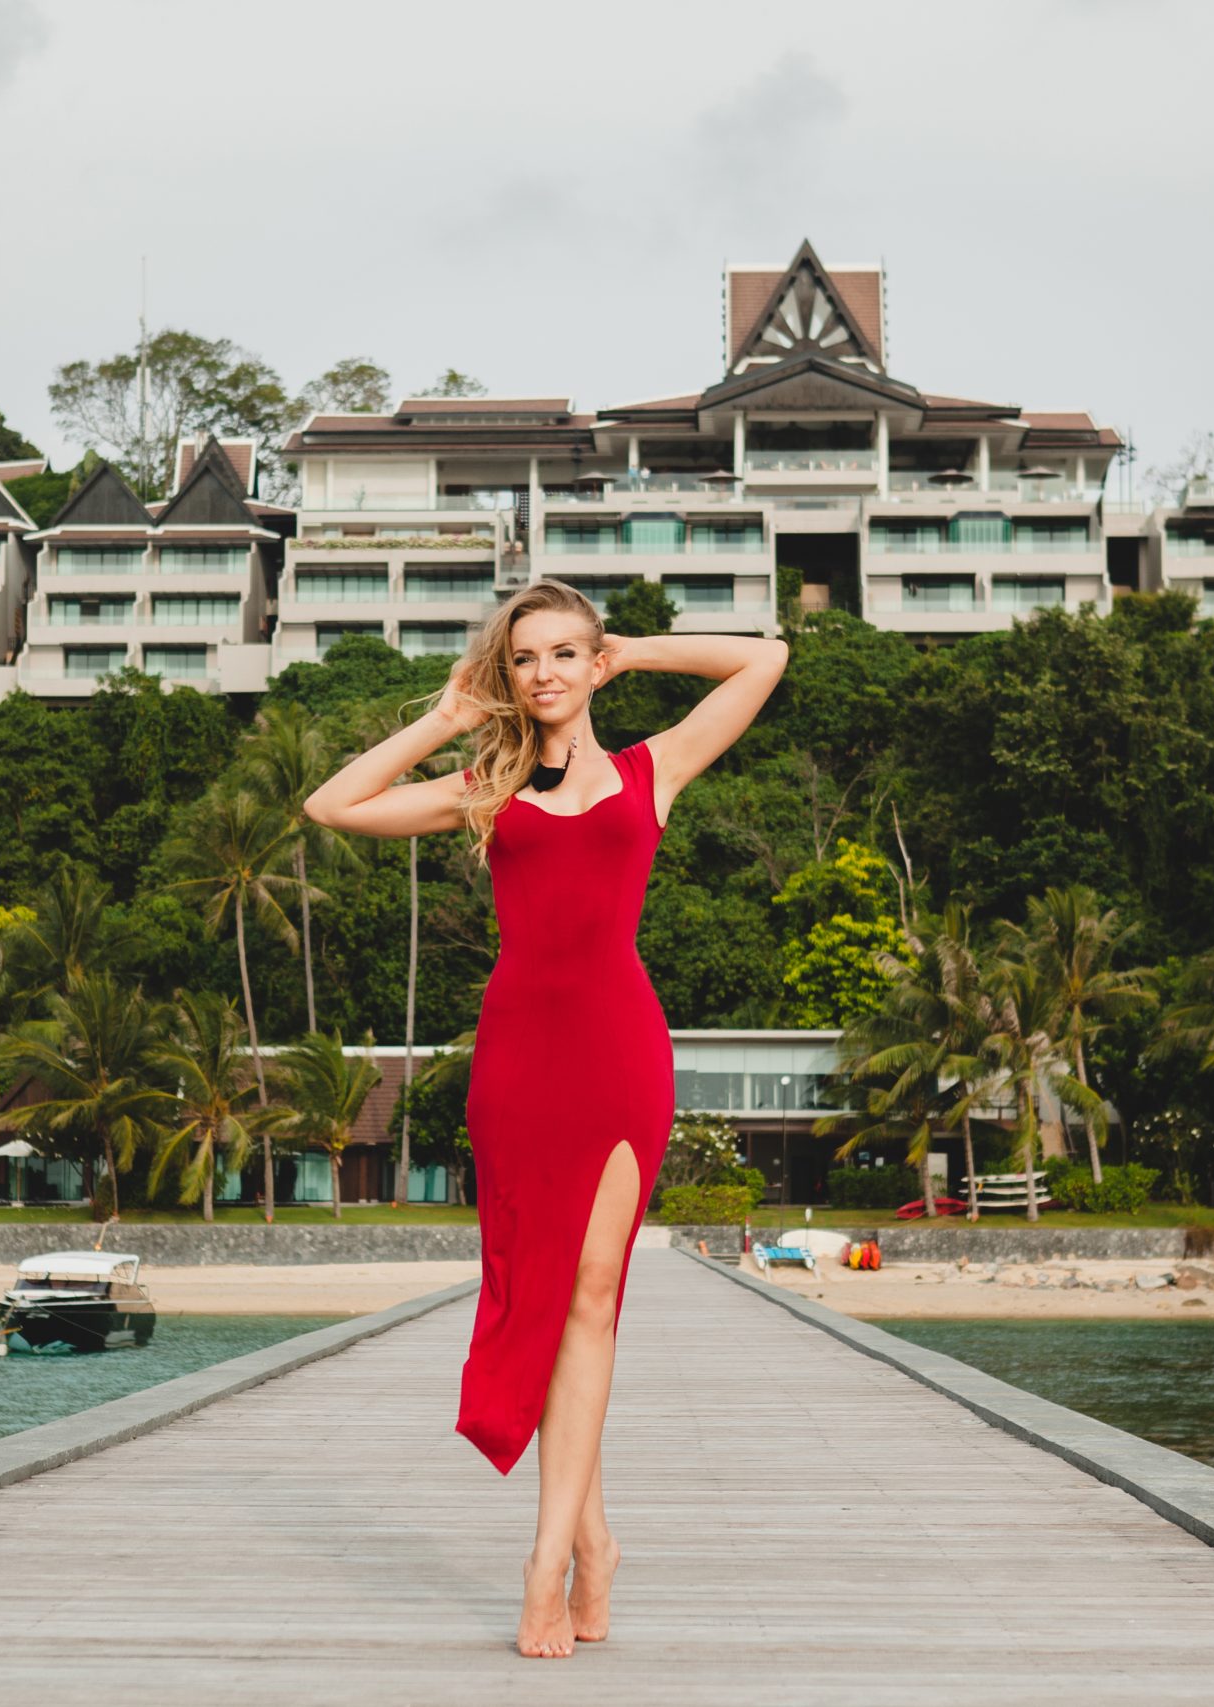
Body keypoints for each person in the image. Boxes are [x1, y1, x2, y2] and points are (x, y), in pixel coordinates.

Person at [304, 581, 786, 1658]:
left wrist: (632, 650)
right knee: (550, 1293)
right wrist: (443, 716)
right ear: (507, 674)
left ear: (590, 662)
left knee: (595, 1292)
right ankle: (596, 1541)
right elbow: (333, 806)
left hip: (620, 1054)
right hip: (518, 1061)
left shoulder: (652, 770)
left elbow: (765, 659)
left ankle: (543, 1562)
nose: (549, 673)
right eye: (528, 658)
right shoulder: (483, 789)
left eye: (567, 654)